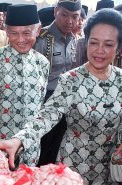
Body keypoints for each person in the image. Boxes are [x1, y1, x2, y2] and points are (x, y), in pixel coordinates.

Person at [0, 9, 122, 185]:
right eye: (94, 42)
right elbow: (46, 116)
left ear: (119, 47)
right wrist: (18, 140)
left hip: (110, 170)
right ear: (86, 41)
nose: (99, 51)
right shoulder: (71, 80)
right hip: (71, 170)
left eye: (108, 45)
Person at [0, 4, 50, 166]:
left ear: (38, 30)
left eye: (27, 33)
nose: (20, 39)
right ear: (6, 32)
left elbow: (41, 105)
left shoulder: (42, 63)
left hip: (30, 147)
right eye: (14, 33)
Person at [34, 0, 81, 166]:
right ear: (55, 12)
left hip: (67, 101)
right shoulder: (41, 39)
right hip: (45, 100)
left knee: (57, 146)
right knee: (41, 146)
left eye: (75, 16)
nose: (70, 21)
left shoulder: (74, 40)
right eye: (64, 15)